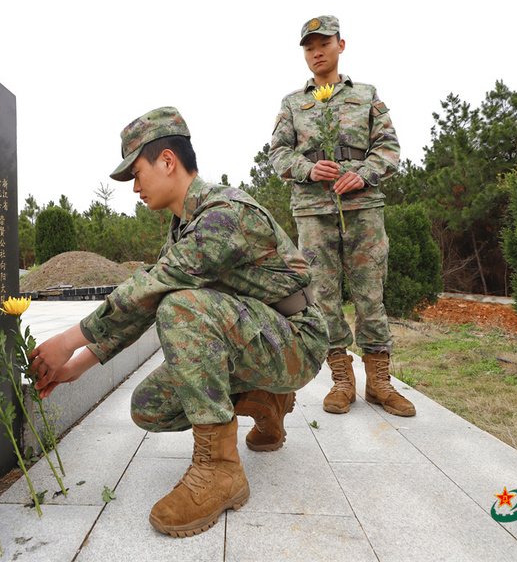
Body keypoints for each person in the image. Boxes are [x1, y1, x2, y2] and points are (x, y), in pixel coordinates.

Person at [29, 106, 329, 537]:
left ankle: (221, 470)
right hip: (258, 338)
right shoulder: (182, 225)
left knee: (181, 307)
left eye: (136, 173)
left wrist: (67, 340)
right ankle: (265, 399)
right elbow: (145, 298)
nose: (134, 188)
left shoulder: (223, 214)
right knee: (149, 406)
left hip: (298, 340)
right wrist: (74, 366)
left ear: (167, 161)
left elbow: (154, 290)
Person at [268, 15, 415, 417]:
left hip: (362, 209)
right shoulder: (292, 104)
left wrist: (363, 174)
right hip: (314, 212)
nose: (316, 52)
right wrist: (307, 169)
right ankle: (342, 382)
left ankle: (380, 384)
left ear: (340, 45)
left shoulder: (366, 96)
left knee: (371, 293)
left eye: (323, 44)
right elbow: (277, 154)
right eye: (309, 46)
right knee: (324, 297)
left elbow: (389, 147)